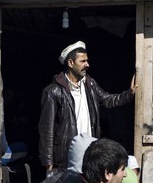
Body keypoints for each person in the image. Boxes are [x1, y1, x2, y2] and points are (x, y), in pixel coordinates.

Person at [38, 40, 135, 175]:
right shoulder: (53, 91)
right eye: (82, 61)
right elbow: (46, 130)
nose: (87, 64)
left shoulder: (90, 85)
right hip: (66, 157)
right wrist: (48, 164)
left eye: (87, 61)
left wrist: (129, 94)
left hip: (89, 153)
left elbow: (108, 100)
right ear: (70, 63)